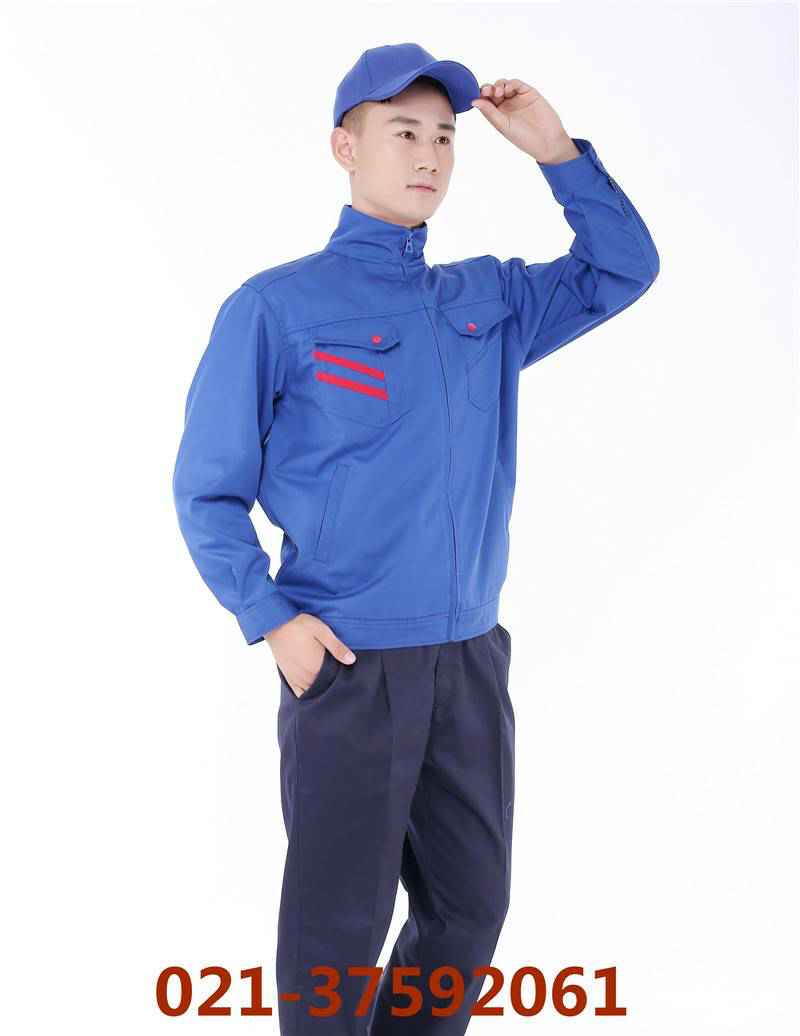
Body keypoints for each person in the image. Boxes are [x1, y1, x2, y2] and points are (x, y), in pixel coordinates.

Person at [172, 42, 659, 1036]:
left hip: (469, 659)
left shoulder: (486, 300)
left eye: (444, 136)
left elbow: (624, 267)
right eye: (404, 132)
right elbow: (206, 491)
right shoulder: (276, 308)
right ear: (344, 147)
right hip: (348, 663)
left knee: (469, 909)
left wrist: (556, 152)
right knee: (337, 934)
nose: (430, 154)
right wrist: (272, 619)